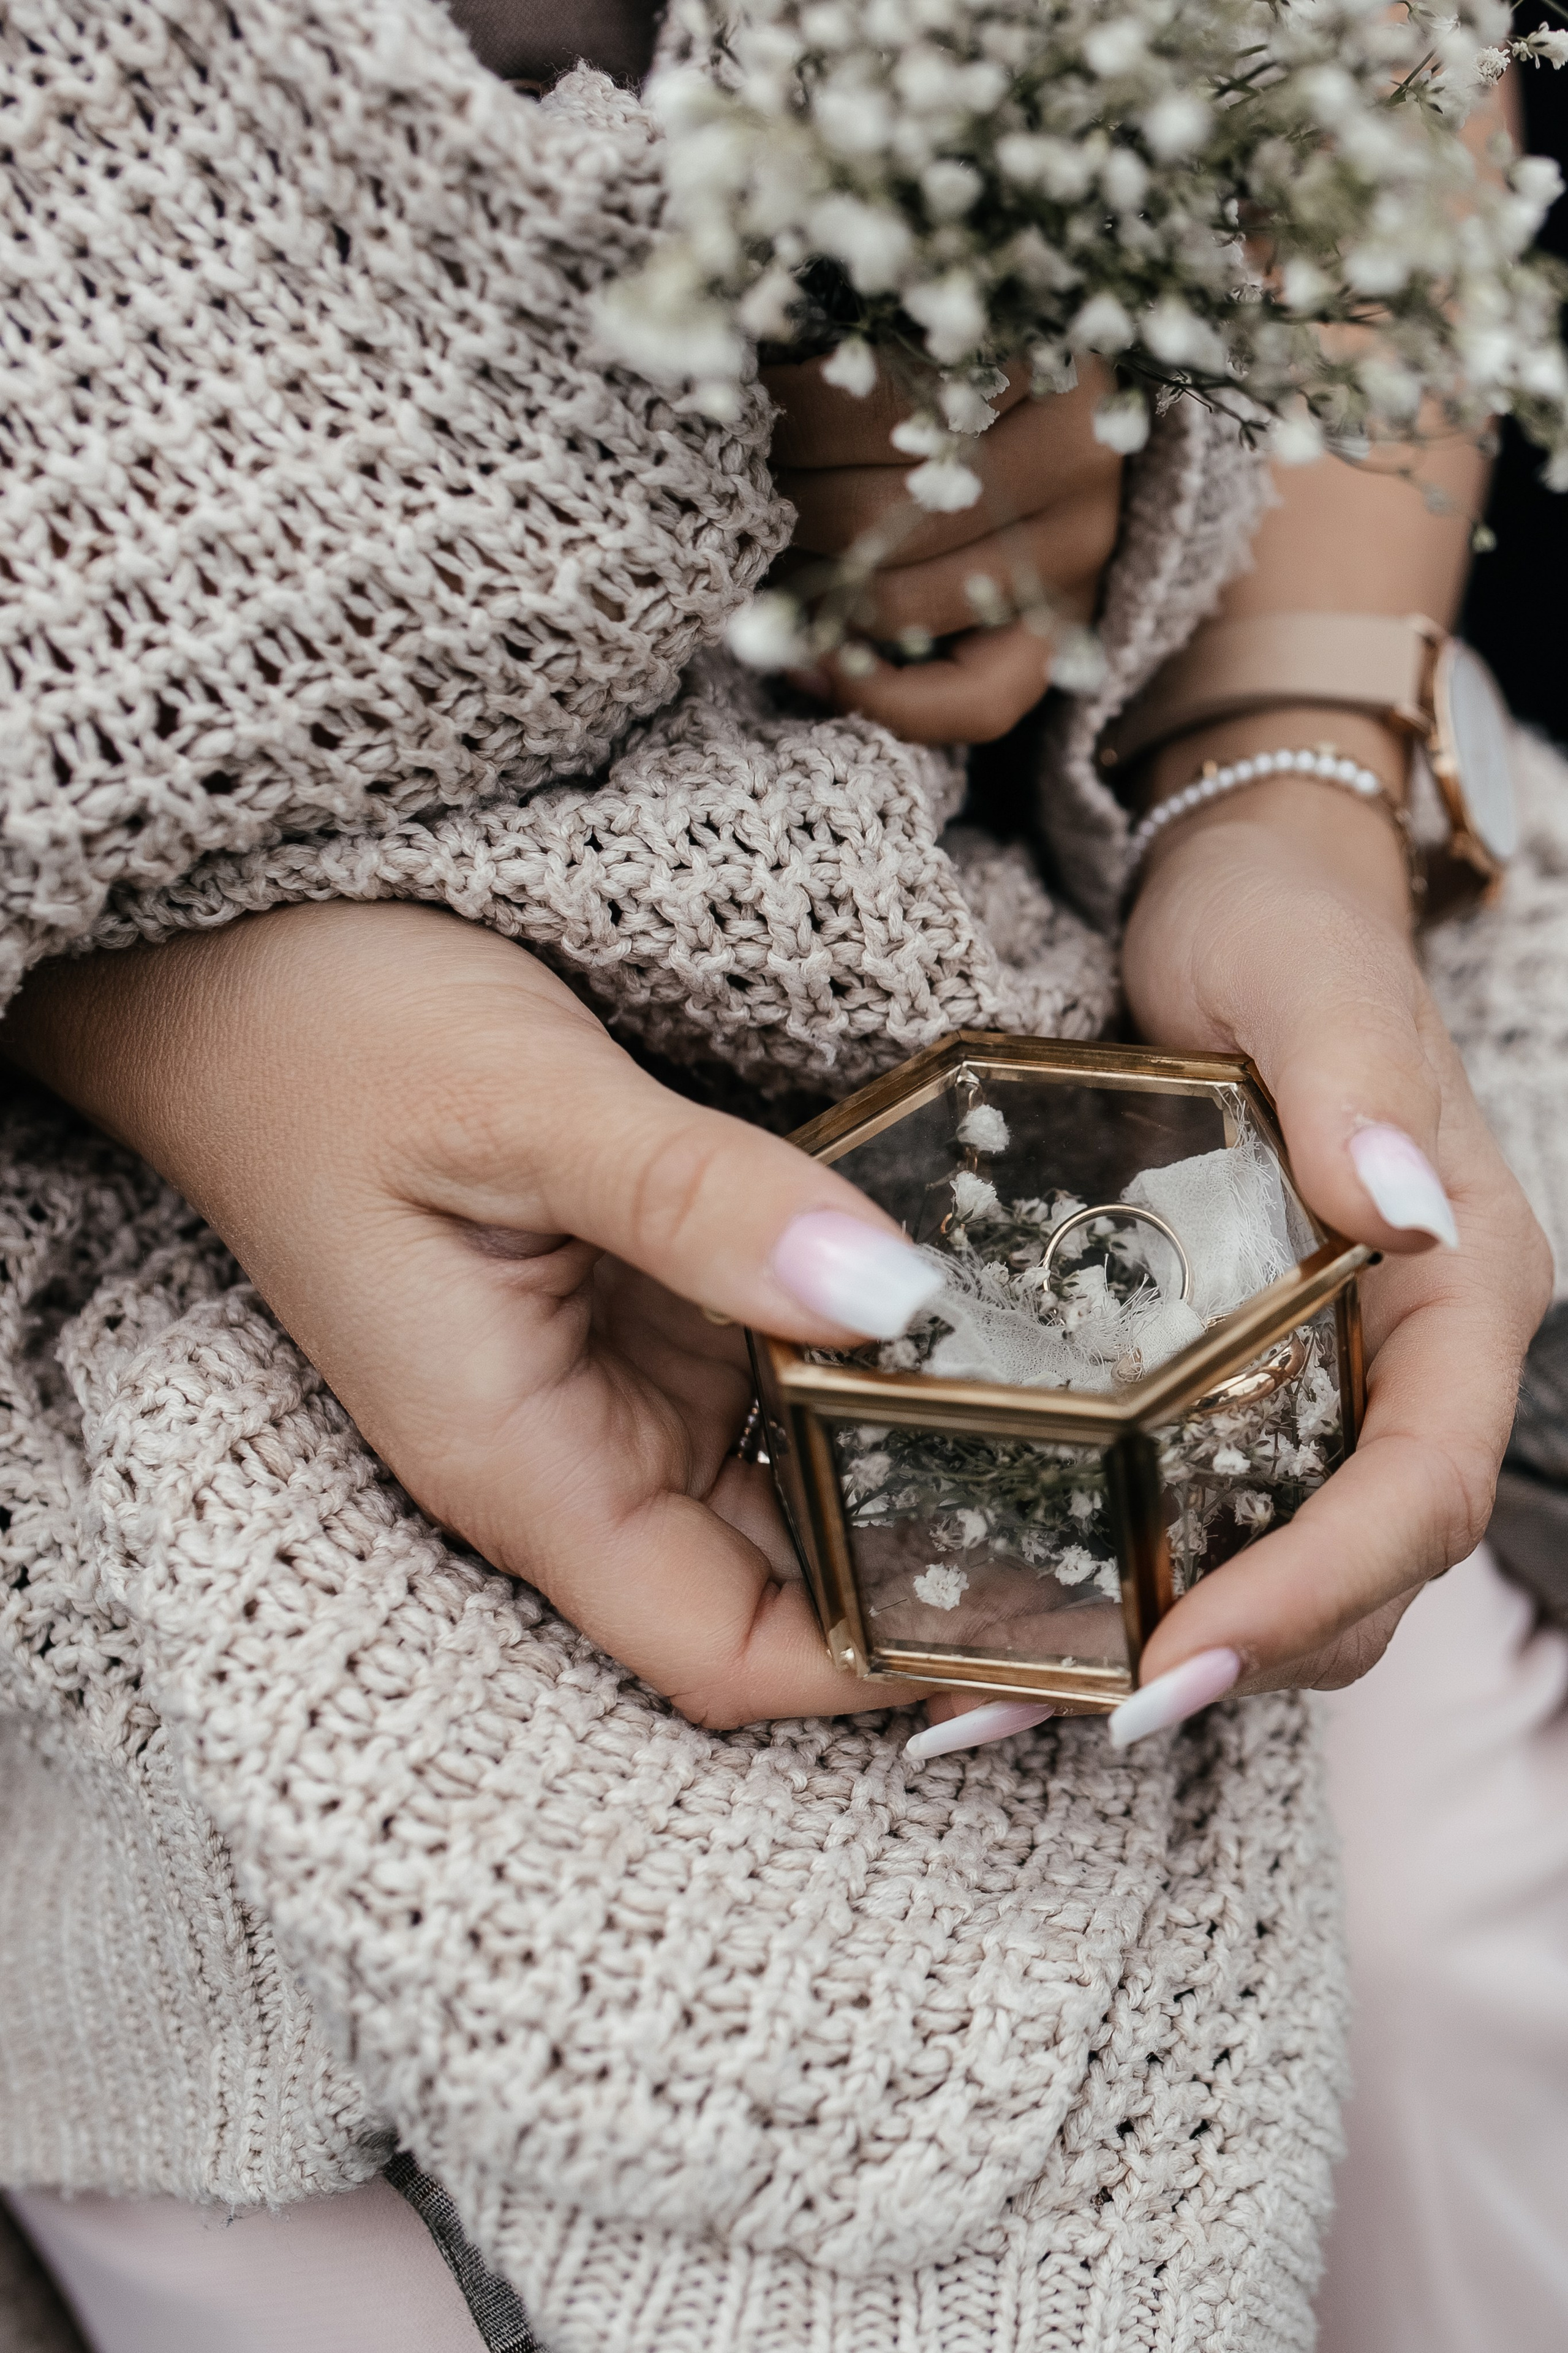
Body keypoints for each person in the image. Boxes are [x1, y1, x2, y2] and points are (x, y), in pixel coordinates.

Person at [0, 3, 1556, 2349]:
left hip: (1103, 938)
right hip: (152, 1315)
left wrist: (1284, 769)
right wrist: (176, 1017)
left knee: (1459, 1944)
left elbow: (1384, 83)